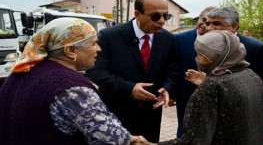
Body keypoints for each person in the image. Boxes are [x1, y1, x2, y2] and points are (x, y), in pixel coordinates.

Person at [0, 17, 152, 145]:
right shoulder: (71, 87)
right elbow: (113, 138)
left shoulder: (19, 72)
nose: (98, 49)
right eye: (93, 43)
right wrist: (135, 140)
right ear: (70, 51)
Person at [86, 0, 179, 143]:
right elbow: (95, 72)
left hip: (151, 115)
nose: (162, 21)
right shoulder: (110, 36)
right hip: (116, 113)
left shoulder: (168, 39)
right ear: (137, 14)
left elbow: (172, 70)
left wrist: (167, 88)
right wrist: (129, 89)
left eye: (166, 16)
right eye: (155, 16)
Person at [159, 30, 263, 144]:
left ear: (218, 57)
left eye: (202, 55)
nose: (197, 58)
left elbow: (193, 141)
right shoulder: (251, 75)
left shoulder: (212, 86)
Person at [204, 7, 263, 109]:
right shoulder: (207, 47)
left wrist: (255, 108)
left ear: (234, 26)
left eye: (216, 24)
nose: (209, 28)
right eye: (208, 23)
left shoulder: (258, 49)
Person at [173, 6, 216, 138]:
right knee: (184, 132)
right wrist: (172, 91)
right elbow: (173, 66)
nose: (205, 24)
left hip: (211, 96)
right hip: (185, 95)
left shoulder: (219, 41)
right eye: (203, 19)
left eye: (210, 22)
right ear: (198, 18)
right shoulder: (179, 39)